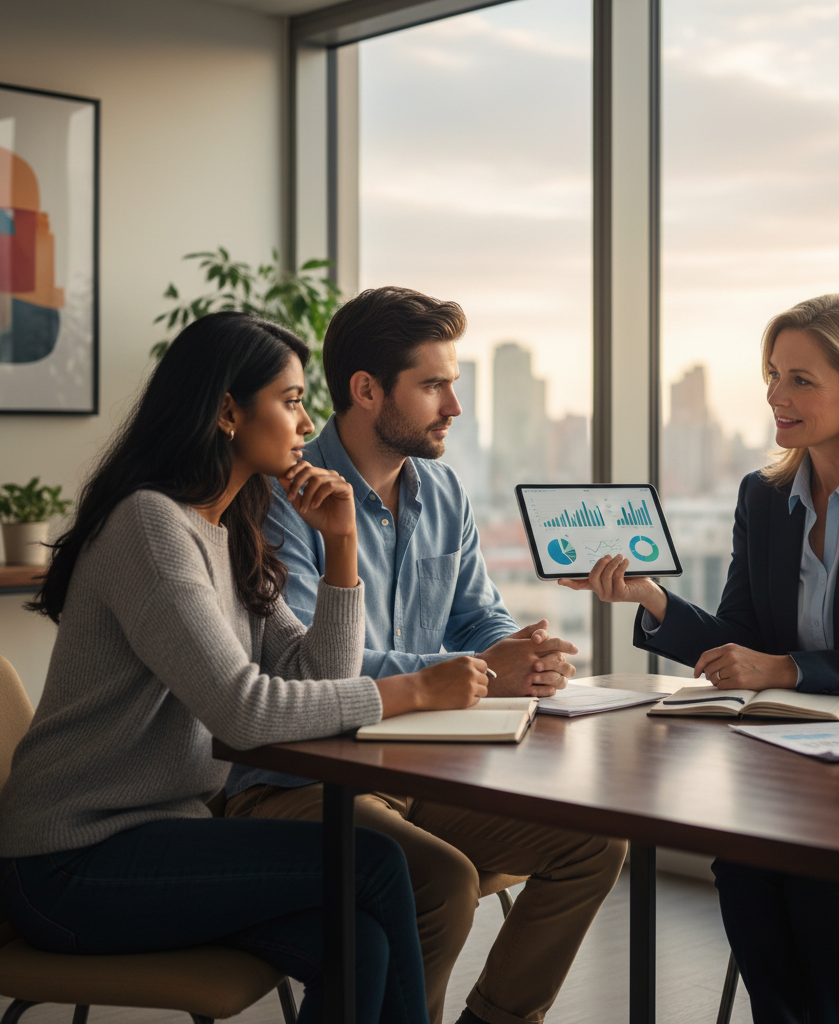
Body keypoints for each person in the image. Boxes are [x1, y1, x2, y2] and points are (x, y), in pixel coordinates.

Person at [0, 311, 492, 1024]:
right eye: (290, 402)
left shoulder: (227, 533)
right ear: (228, 410)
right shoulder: (151, 526)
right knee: (377, 862)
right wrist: (412, 689)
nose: (304, 424)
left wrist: (343, 546)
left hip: (169, 835)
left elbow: (312, 677)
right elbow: (245, 710)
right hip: (71, 863)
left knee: (360, 942)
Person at [560, 293, 839, 1024]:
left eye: (799, 380)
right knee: (747, 861)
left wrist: (785, 670)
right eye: (772, 374)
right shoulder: (764, 495)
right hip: (793, 764)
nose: (774, 396)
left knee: (817, 873)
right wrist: (653, 600)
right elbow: (740, 638)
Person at [224, 287, 628, 1024]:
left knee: (596, 843)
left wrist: (517, 654)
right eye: (434, 385)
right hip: (297, 781)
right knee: (437, 882)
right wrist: (472, 676)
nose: (455, 408)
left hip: (425, 768)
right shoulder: (281, 496)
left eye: (455, 385)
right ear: (367, 391)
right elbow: (312, 666)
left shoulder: (441, 490)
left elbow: (477, 615)